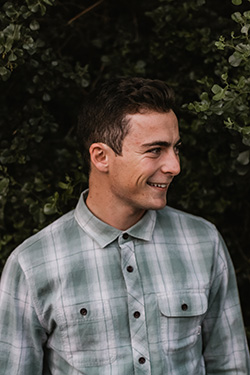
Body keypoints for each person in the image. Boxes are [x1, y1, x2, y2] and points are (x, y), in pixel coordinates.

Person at [0, 77, 249, 375]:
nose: (174, 166)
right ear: (101, 156)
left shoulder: (203, 242)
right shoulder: (32, 264)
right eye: (155, 150)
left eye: (175, 148)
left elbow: (230, 365)